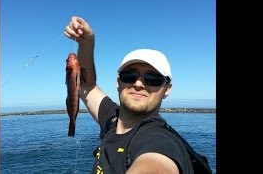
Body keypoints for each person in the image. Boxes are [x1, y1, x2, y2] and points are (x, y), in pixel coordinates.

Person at [64, 16, 194, 174]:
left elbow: (156, 165)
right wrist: (86, 43)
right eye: (129, 75)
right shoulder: (111, 118)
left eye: (152, 78)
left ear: (167, 89)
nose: (138, 84)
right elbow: (85, 85)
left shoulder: (159, 141)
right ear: (118, 83)